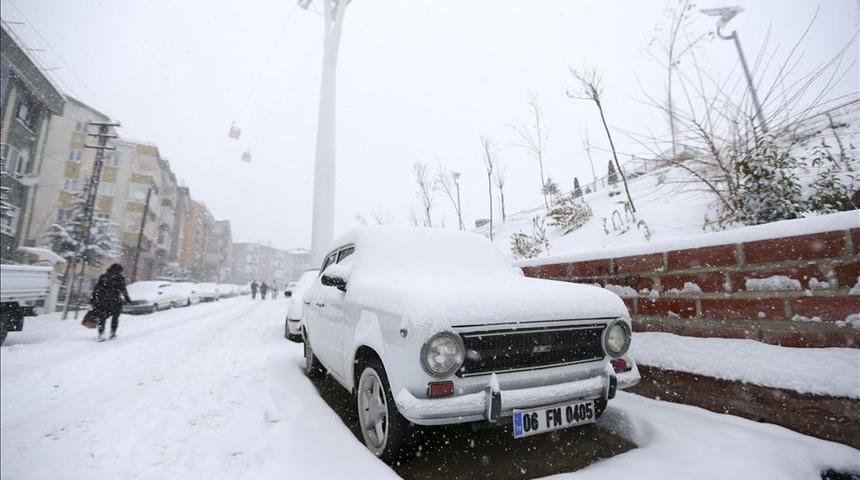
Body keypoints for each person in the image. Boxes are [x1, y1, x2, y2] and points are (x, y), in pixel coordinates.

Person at [90, 263, 132, 342]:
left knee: (102, 318)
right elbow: (123, 289)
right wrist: (128, 299)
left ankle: (101, 334)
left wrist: (93, 299)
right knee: (115, 318)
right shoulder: (119, 278)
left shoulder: (103, 276)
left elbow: (97, 288)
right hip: (114, 301)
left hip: (102, 301)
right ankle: (112, 333)